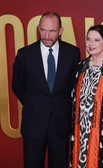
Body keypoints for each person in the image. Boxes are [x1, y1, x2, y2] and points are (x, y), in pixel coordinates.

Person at [11, 11, 81, 168]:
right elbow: (17, 84)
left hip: (60, 124)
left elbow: (73, 87)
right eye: (43, 30)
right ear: (38, 28)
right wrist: (32, 102)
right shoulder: (25, 54)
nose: (47, 35)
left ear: (61, 31)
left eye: (52, 31)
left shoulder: (72, 53)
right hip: (33, 123)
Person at [70, 25, 103, 168]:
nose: (91, 44)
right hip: (80, 133)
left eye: (96, 40)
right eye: (88, 39)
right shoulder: (81, 67)